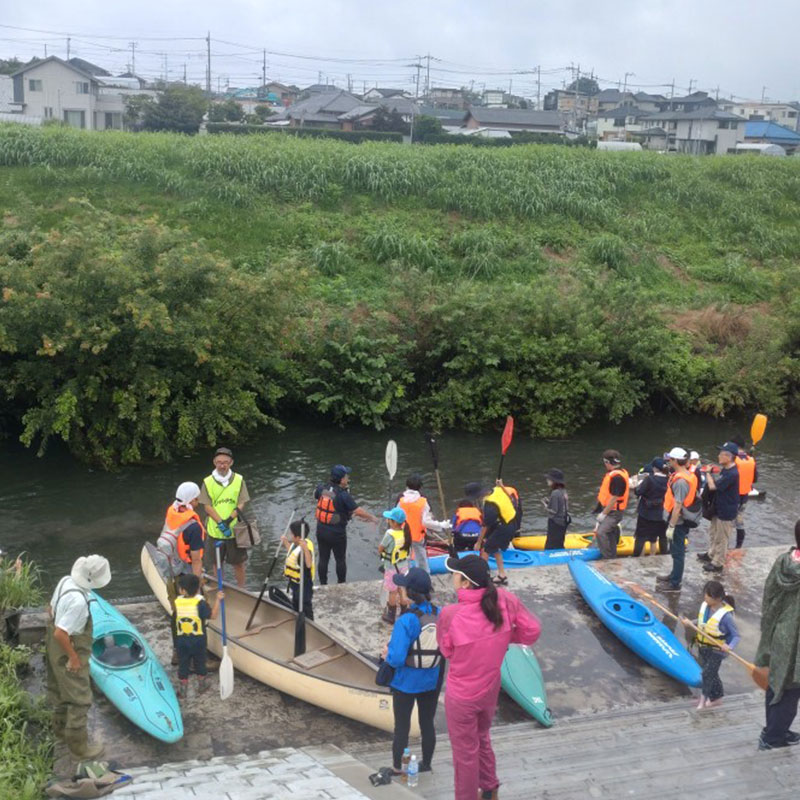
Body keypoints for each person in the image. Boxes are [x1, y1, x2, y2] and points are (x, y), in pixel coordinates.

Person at [438, 555, 541, 800]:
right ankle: (490, 788)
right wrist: (503, 639)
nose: (452, 577)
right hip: (489, 688)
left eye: (454, 574)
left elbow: (447, 650)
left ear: (464, 583)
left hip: (462, 695)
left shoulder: (451, 614)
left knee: (465, 755)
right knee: (482, 737)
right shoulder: (504, 599)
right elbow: (532, 631)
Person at [46, 555, 111, 759]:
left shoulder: (66, 580)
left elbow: (50, 610)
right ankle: (79, 747)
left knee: (59, 688)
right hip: (68, 645)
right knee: (79, 698)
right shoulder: (79, 602)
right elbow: (61, 633)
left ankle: (60, 732)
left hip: (53, 643)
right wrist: (73, 658)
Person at [381, 568, 443, 776]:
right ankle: (426, 764)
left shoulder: (406, 620)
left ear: (409, 591)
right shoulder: (440, 613)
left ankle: (398, 767)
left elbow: (397, 658)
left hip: (405, 682)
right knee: (427, 723)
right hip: (431, 678)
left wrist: (386, 655)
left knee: (402, 727)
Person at [754, 522, 800, 750]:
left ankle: (774, 728)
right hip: (796, 642)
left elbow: (768, 595)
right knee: (790, 690)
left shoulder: (783, 561)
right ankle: (773, 738)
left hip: (777, 633)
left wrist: (769, 628)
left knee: (775, 682)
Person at [314, 464, 379, 584]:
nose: (348, 478)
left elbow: (319, 497)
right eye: (346, 476)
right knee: (340, 560)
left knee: (323, 559)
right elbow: (358, 511)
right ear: (342, 479)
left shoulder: (321, 489)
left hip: (321, 530)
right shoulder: (343, 495)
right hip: (337, 534)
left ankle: (323, 584)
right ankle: (341, 583)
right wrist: (372, 518)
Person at [683, 580, 739, 709]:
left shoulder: (726, 617)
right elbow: (703, 622)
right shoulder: (707, 606)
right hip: (703, 646)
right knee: (710, 672)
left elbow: (736, 635)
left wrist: (729, 646)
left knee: (707, 674)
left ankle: (703, 702)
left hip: (717, 650)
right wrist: (690, 622)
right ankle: (716, 697)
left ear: (716, 598)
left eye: (707, 596)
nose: (704, 597)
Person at [199, 447, 250, 588]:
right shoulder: (208, 482)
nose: (222, 465)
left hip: (235, 530)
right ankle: (219, 589)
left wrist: (228, 520)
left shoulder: (239, 480)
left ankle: (242, 589)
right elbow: (207, 506)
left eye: (226, 462)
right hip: (215, 531)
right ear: (214, 462)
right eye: (219, 462)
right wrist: (221, 523)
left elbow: (241, 502)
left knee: (238, 563)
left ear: (231, 462)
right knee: (217, 564)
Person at [657, 447, 702, 591]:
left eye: (670, 459)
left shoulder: (681, 481)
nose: (668, 462)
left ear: (676, 461)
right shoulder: (688, 475)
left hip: (678, 522)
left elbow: (678, 506)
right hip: (679, 520)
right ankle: (673, 575)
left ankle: (675, 583)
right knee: (675, 550)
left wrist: (671, 526)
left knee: (677, 553)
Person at [173, 573, 223, 699]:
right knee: (200, 662)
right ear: (197, 589)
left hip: (181, 641)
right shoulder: (200, 603)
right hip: (198, 641)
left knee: (183, 663)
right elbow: (213, 616)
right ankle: (202, 686)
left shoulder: (177, 602)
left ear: (183, 590)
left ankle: (182, 689)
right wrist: (218, 600)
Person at [396, 474, 450, 574]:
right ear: (420, 487)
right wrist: (441, 525)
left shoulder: (401, 501)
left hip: (404, 536)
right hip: (417, 536)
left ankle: (405, 579)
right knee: (422, 562)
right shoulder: (422, 501)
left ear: (407, 486)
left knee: (404, 559)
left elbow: (396, 518)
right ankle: (425, 581)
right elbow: (426, 522)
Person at [699, 443, 740, 574]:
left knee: (722, 537)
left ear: (729, 457)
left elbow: (713, 487)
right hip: (718, 507)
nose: (718, 456)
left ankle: (718, 564)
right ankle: (711, 555)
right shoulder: (726, 470)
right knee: (714, 533)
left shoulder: (732, 474)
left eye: (721, 454)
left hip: (726, 511)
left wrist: (708, 474)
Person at [157, 482, 205, 579]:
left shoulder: (172, 511)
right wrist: (196, 584)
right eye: (197, 498)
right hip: (184, 569)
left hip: (171, 561)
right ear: (192, 500)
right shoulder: (194, 527)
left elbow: (179, 531)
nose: (198, 500)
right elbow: (196, 560)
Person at [474, 483, 518, 586]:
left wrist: (478, 542)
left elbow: (486, 525)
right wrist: (501, 485)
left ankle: (483, 578)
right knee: (494, 548)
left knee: (486, 548)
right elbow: (511, 499)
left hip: (505, 527)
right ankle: (502, 576)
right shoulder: (497, 489)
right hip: (511, 522)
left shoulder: (490, 504)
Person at [593, 450, 629, 559]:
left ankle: (607, 558)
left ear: (608, 462)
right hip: (610, 510)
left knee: (601, 533)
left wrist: (603, 514)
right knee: (610, 534)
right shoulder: (617, 473)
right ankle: (612, 556)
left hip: (614, 512)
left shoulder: (617, 477)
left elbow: (614, 498)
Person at [379, 507, 412, 624]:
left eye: (389, 519)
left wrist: (382, 553)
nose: (387, 521)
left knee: (392, 592)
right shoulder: (406, 532)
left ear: (394, 522)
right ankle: (404, 612)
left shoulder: (389, 534)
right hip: (404, 566)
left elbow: (381, 548)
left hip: (392, 567)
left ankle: (391, 615)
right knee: (402, 589)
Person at [632, 458, 668, 558]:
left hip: (646, 513)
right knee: (657, 537)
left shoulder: (650, 479)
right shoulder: (669, 479)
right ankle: (656, 556)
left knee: (640, 537)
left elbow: (638, 491)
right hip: (662, 514)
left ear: (655, 468)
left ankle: (639, 556)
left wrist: (637, 483)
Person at [282, 519, 315, 620]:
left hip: (304, 582)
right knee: (296, 600)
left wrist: (305, 549)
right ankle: (297, 617)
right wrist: (285, 543)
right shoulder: (296, 544)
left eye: (291, 534)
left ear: (298, 537)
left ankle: (309, 622)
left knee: (305, 603)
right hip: (295, 582)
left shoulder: (304, 549)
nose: (290, 535)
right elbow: (292, 554)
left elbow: (308, 564)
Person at [732, 434, 758, 549]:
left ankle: (722, 548)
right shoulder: (751, 460)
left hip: (732, 496)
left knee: (726, 523)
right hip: (744, 497)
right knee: (739, 522)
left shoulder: (733, 459)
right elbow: (755, 479)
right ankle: (738, 546)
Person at [451, 485, 484, 552]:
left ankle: (459, 552)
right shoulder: (477, 512)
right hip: (477, 537)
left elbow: (454, 528)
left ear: (460, 507)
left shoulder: (459, 512)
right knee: (475, 546)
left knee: (458, 545)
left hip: (462, 537)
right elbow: (483, 525)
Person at [543, 469, 570, 550]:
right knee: (559, 543)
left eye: (549, 479)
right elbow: (563, 506)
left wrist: (546, 506)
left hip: (555, 523)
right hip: (563, 521)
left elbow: (554, 511)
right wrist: (549, 502)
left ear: (554, 481)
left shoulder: (555, 493)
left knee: (551, 544)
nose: (547, 480)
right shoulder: (563, 491)